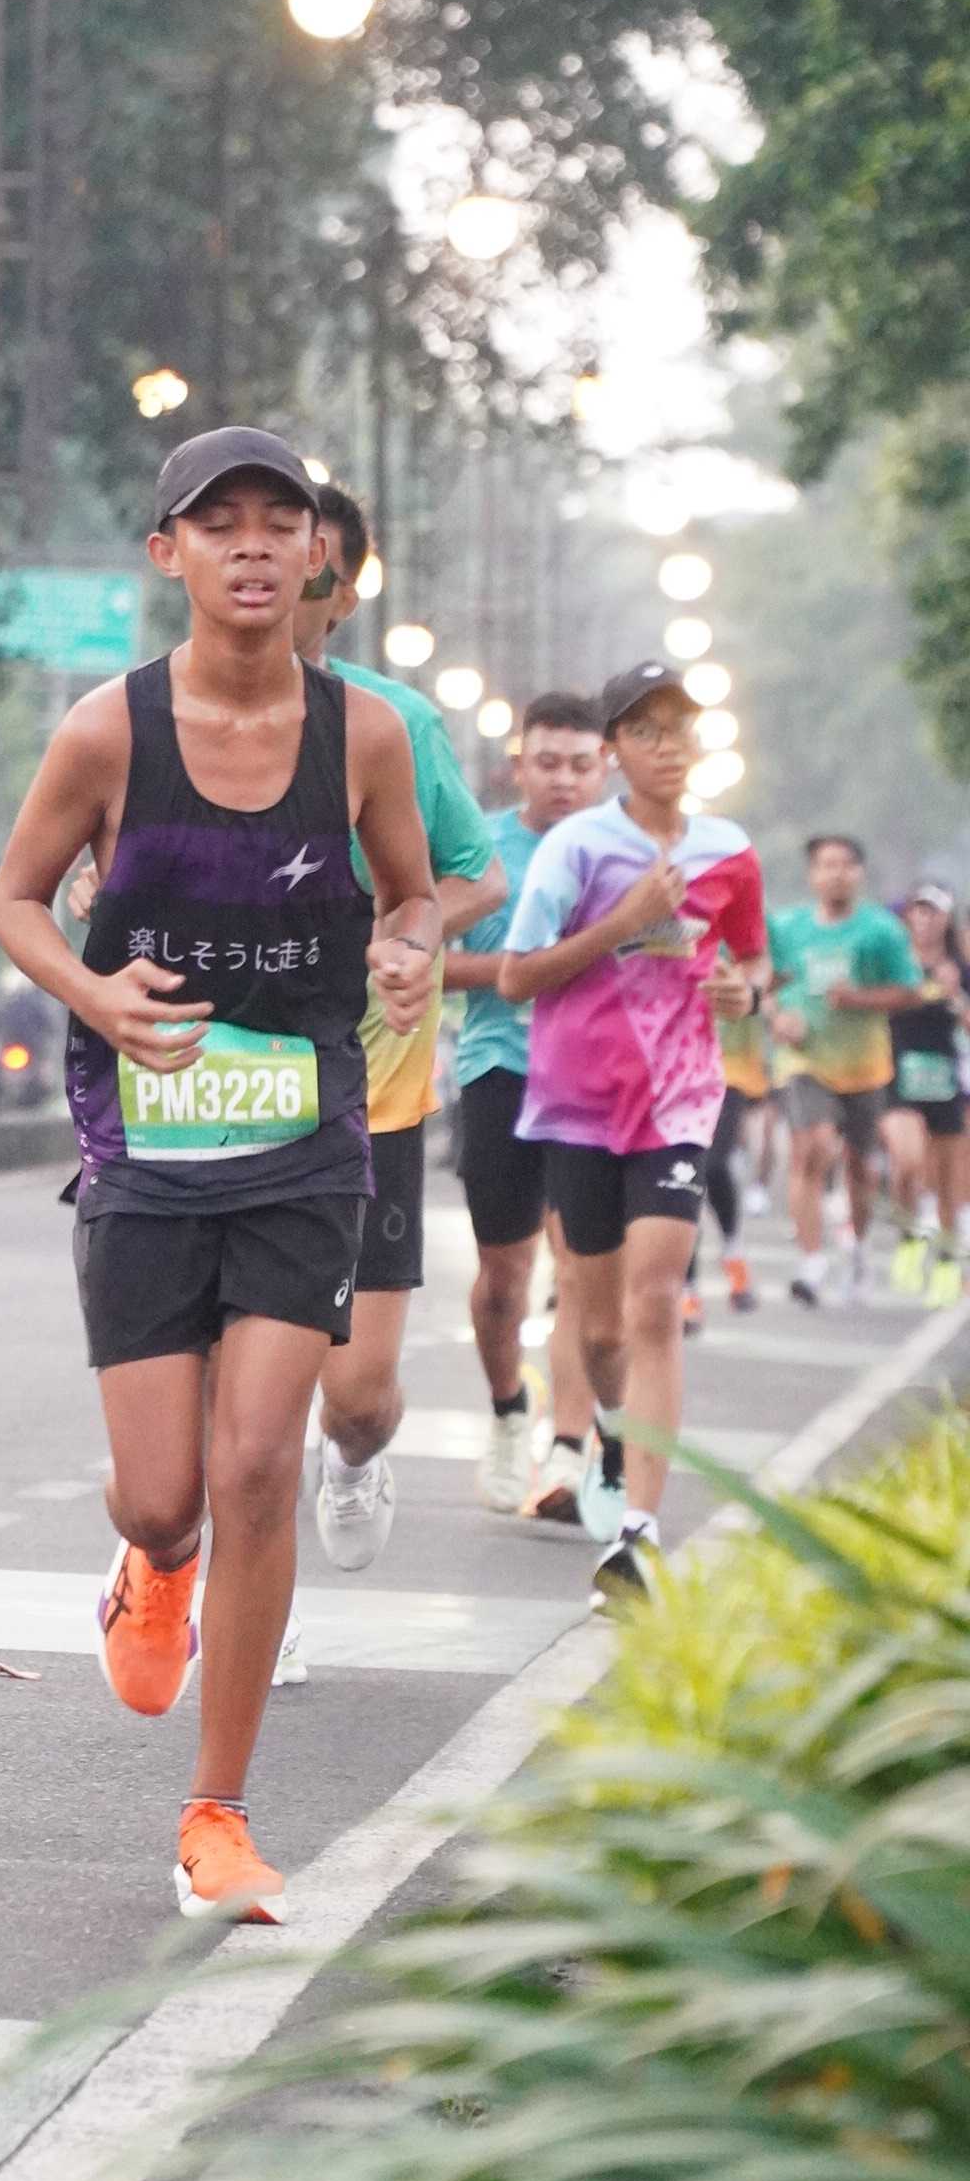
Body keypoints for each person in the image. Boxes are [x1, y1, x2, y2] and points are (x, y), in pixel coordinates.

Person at [0, 427, 439, 1923]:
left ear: (318, 554)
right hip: (145, 1145)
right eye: (217, 522)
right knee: (164, 1493)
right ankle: (151, 1564)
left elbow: (413, 894)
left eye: (278, 522)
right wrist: (95, 993)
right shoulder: (106, 732)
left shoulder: (361, 734)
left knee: (258, 1469)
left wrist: (410, 952)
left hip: (306, 1143)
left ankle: (217, 1816)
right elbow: (14, 898)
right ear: (165, 551)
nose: (251, 545)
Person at [498, 664, 767, 1606]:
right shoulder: (575, 847)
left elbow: (751, 963)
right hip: (577, 1103)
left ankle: (641, 1536)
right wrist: (625, 921)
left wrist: (744, 993)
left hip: (680, 1100)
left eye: (679, 729)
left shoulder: (730, 851)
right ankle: (613, 1429)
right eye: (644, 731)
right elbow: (517, 977)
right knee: (603, 1326)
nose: (666, 746)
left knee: (656, 1304)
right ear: (614, 751)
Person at [287, 485, 504, 1570]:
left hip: (369, 1089)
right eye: (245, 537)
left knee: (356, 1393)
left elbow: (475, 876)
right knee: (230, 1388)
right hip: (216, 1087)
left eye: (309, 556)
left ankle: (355, 1455)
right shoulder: (155, 712)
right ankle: (215, 1584)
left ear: (345, 588)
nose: (278, 570)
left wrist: (408, 938)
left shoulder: (391, 723)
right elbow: (99, 864)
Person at [444, 691, 607, 1518]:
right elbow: (425, 960)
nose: (564, 780)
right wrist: (530, 968)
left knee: (579, 1267)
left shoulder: (627, 854)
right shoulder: (479, 850)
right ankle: (511, 1406)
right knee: (505, 1279)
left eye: (580, 765)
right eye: (548, 763)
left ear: (604, 768)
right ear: (519, 766)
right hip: (500, 1071)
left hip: (597, 1084)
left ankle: (570, 1451)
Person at [769, 834, 922, 1307]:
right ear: (812, 874)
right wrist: (777, 1016)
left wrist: (858, 999)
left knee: (860, 1166)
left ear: (859, 873)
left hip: (864, 1065)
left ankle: (855, 1250)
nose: (836, 873)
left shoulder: (880, 931)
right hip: (805, 1059)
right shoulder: (788, 928)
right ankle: (812, 1261)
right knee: (811, 1147)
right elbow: (766, 982)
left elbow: (910, 990)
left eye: (845, 865)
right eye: (826, 865)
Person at [884, 882, 970, 1305]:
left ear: (946, 919)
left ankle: (947, 1264)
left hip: (943, 1078)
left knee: (948, 1180)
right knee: (908, 1160)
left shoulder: (961, 969)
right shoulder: (893, 962)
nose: (924, 919)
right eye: (918, 910)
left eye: (933, 911)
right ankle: (909, 1234)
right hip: (898, 1075)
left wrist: (955, 997)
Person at [707, 990, 773, 1313]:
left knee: (712, 1166)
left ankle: (733, 1251)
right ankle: (685, 1293)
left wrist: (758, 994)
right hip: (664, 1068)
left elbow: (776, 976)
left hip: (729, 1070)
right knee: (676, 1177)